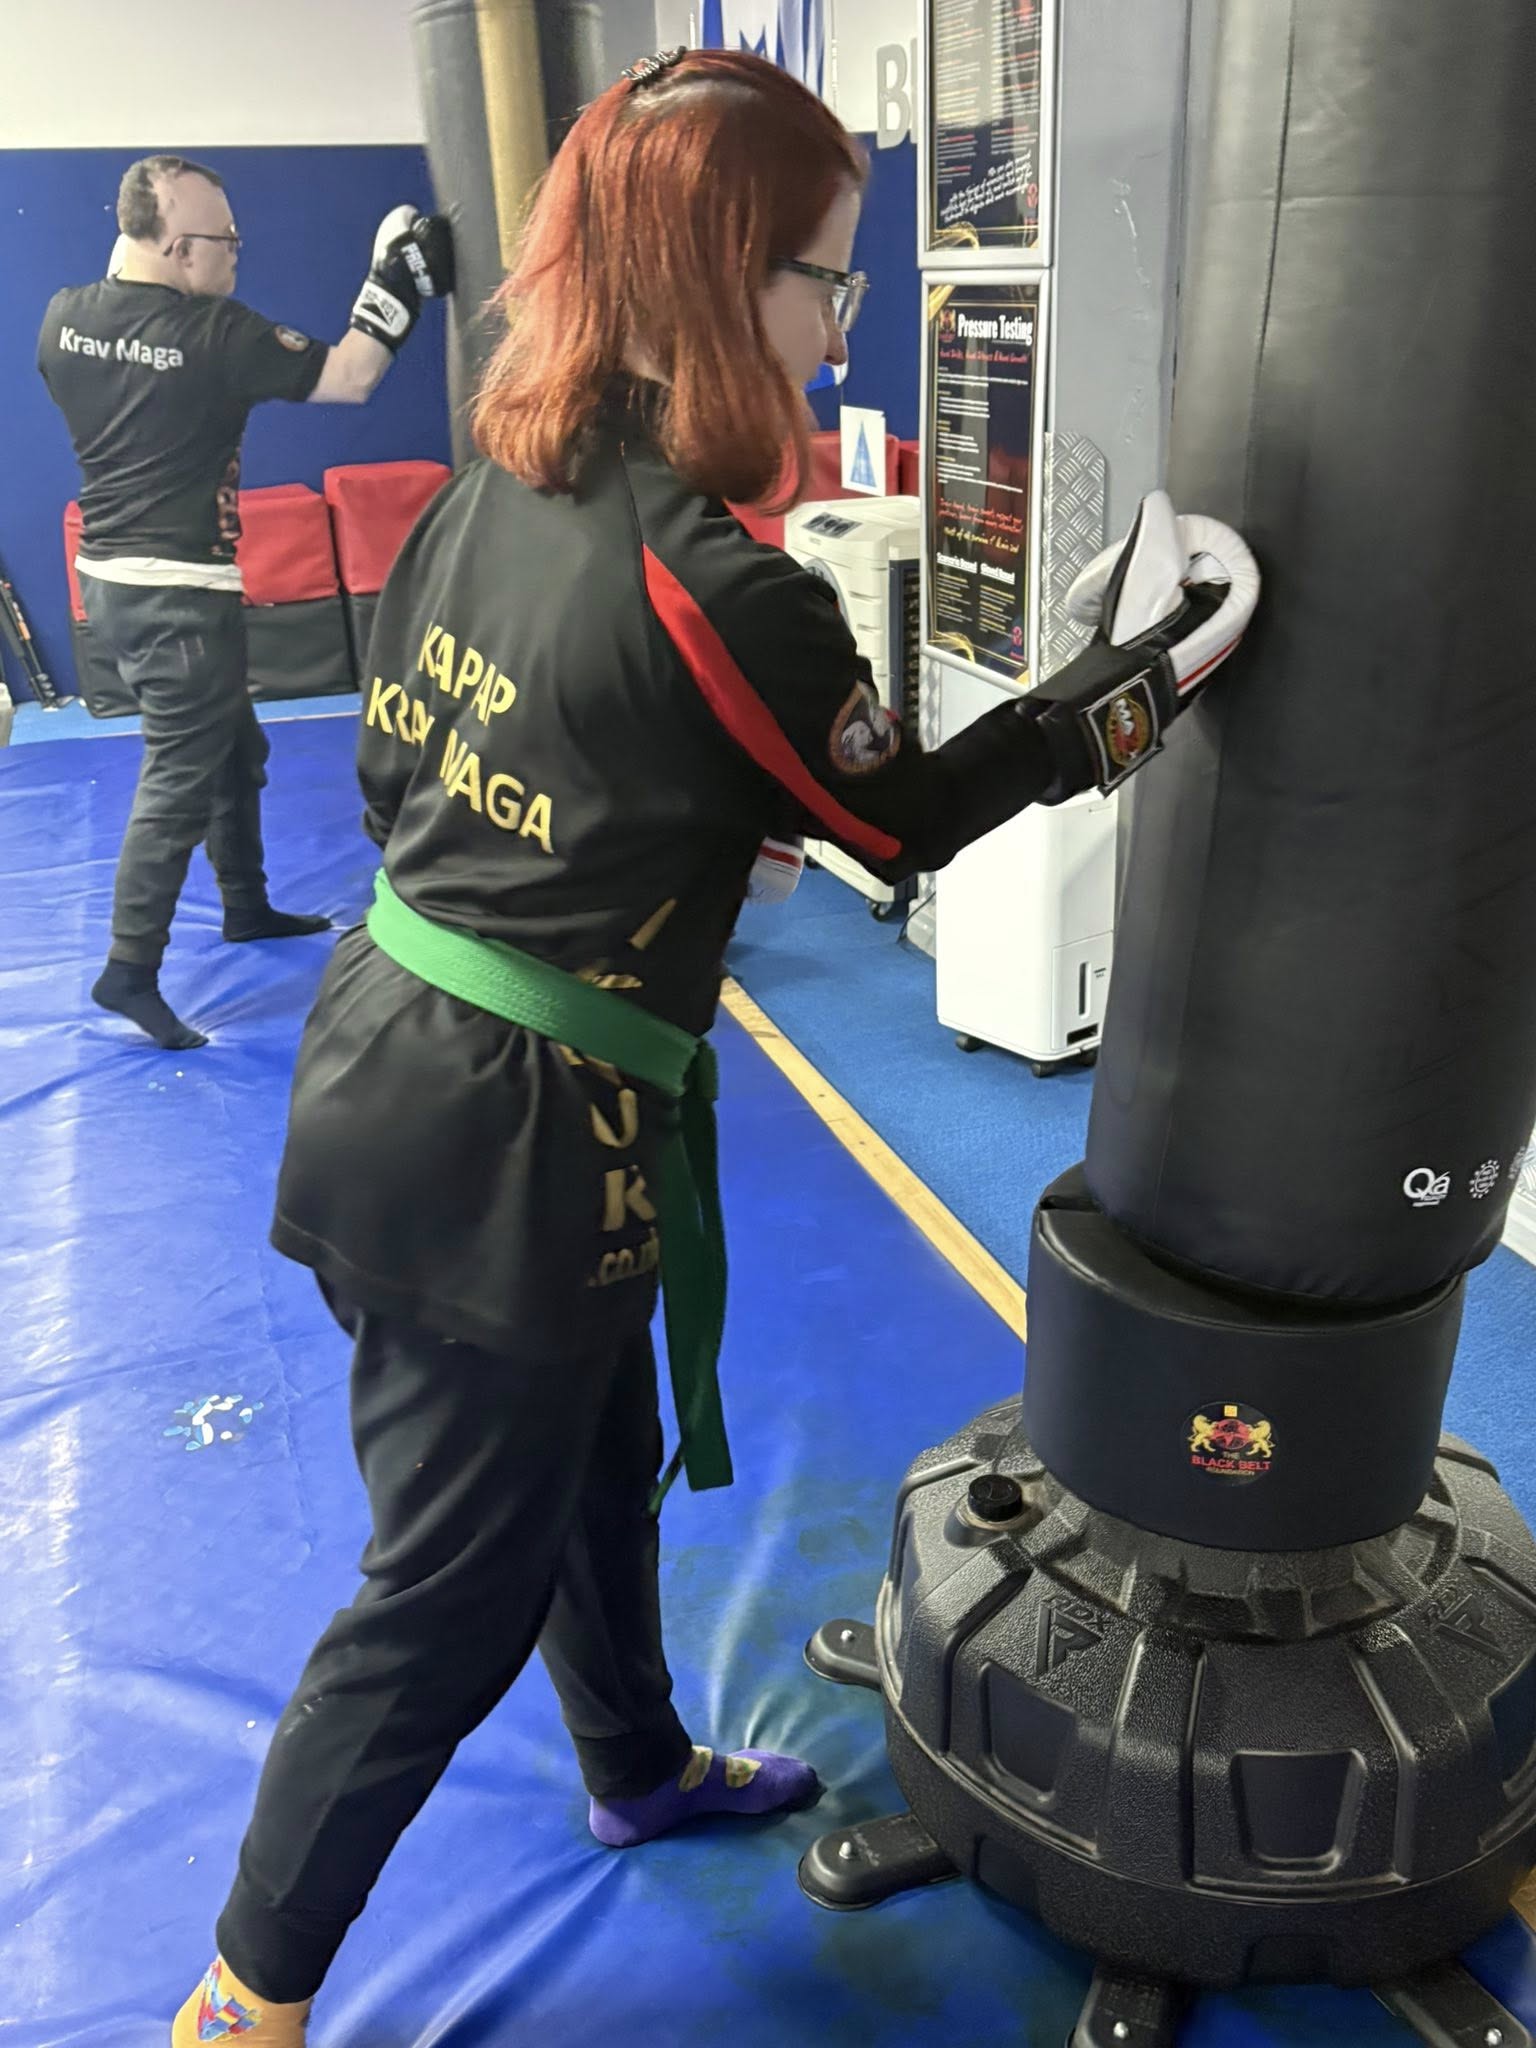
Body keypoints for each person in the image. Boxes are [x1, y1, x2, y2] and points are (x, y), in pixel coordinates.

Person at [169, 48, 1255, 2047]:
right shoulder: (725, 582)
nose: (848, 326)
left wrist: (623, 843)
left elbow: (406, 749)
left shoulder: (507, 466)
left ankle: (636, 1762)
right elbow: (896, 827)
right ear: (721, 276)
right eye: (831, 282)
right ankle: (246, 1995)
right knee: (441, 1598)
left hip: (396, 1054)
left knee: (594, 1459)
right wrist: (1133, 689)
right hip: (507, 1132)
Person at [37, 155, 453, 1051]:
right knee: (181, 774)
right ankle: (129, 969)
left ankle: (245, 906)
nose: (238, 255)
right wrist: (395, 283)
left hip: (105, 579)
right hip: (179, 594)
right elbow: (350, 377)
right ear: (180, 248)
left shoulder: (64, 320)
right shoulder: (215, 334)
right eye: (226, 241)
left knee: (234, 747)